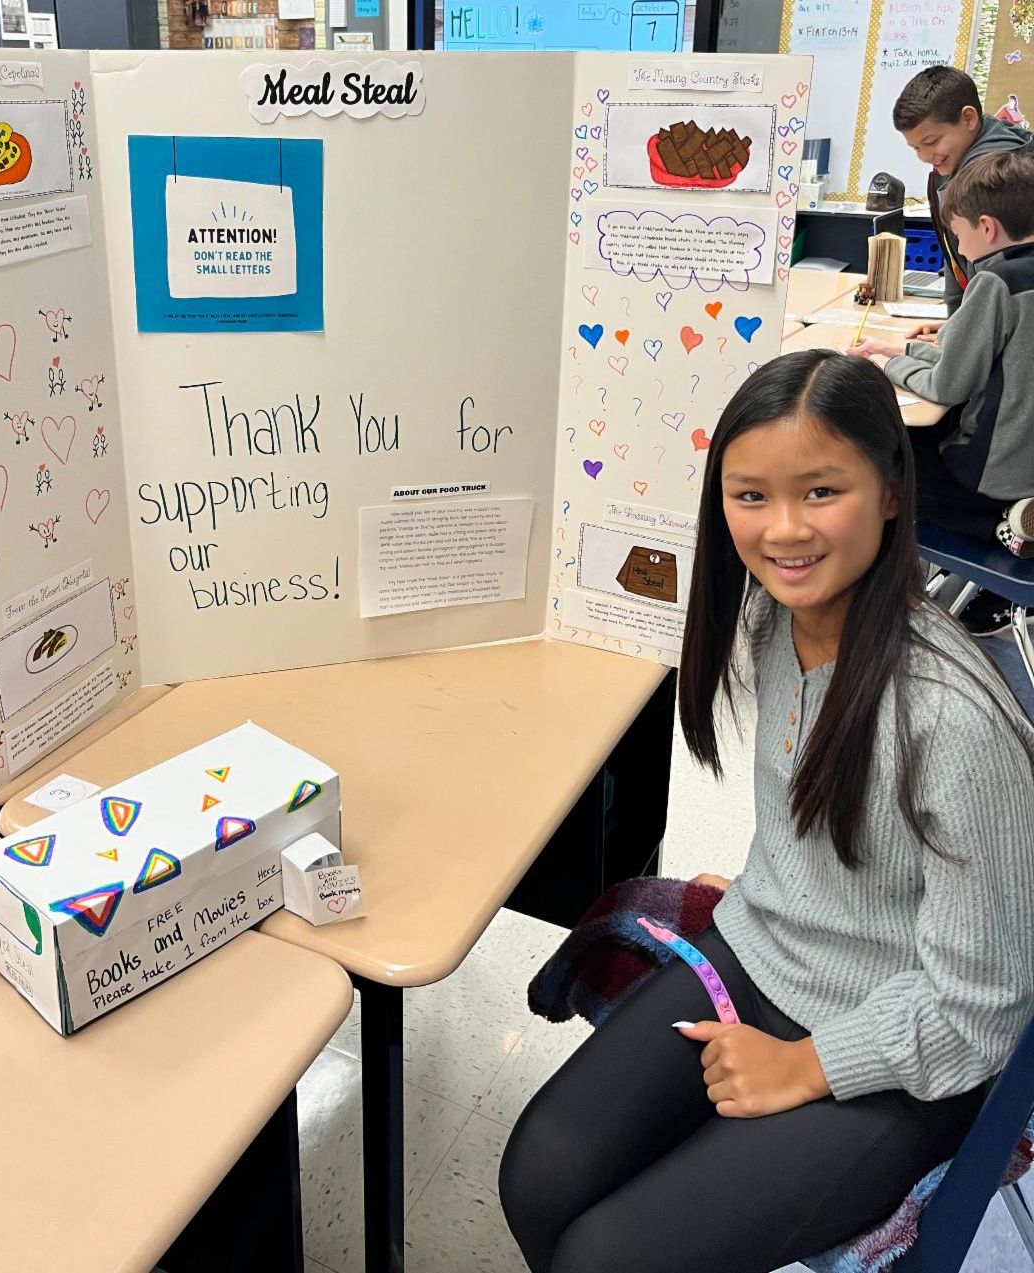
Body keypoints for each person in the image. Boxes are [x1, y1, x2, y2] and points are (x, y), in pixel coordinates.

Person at [499, 351, 1034, 1273]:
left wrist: (809, 1064)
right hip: (759, 955)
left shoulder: (953, 719)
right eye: (751, 495)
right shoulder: (772, 621)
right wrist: (776, 884)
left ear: (892, 490)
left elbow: (981, 1004)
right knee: (538, 1176)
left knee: (607, 1256)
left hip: (903, 1043)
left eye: (821, 490)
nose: (784, 529)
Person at [849, 151, 1034, 644]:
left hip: (994, 470)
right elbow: (986, 356)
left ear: (987, 228)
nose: (959, 247)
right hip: (1027, 457)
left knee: (887, 464)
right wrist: (902, 349)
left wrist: (886, 366)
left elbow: (949, 385)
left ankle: (998, 527)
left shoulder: (994, 282)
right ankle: (1007, 520)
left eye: (958, 234)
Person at [893, 65, 1033, 335]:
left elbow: (998, 278)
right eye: (915, 148)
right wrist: (957, 325)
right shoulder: (956, 161)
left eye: (931, 142)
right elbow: (954, 252)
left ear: (968, 119)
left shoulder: (993, 176)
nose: (924, 156)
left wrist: (966, 334)